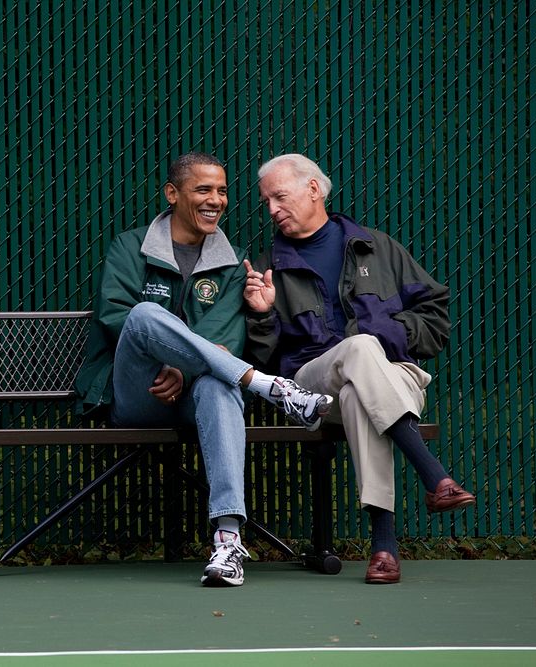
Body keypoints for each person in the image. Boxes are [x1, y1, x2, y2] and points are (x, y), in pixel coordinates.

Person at [75, 151, 334, 587]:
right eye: (203, 189)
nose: (216, 199)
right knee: (142, 315)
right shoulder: (131, 246)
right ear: (173, 194)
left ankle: (228, 542)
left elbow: (226, 341)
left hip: (196, 393)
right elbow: (115, 318)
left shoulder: (234, 263)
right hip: (140, 390)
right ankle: (269, 386)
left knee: (219, 387)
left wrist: (188, 369)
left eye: (222, 190)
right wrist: (172, 361)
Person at [243, 153, 475, 584]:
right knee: (357, 352)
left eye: (279, 196)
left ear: (313, 189)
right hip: (311, 387)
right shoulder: (271, 267)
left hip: (391, 374)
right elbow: (264, 363)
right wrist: (261, 315)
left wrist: (388, 331)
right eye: (266, 202)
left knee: (359, 383)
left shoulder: (376, 247)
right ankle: (433, 476)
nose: (271, 209)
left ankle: (384, 549)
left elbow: (435, 317)